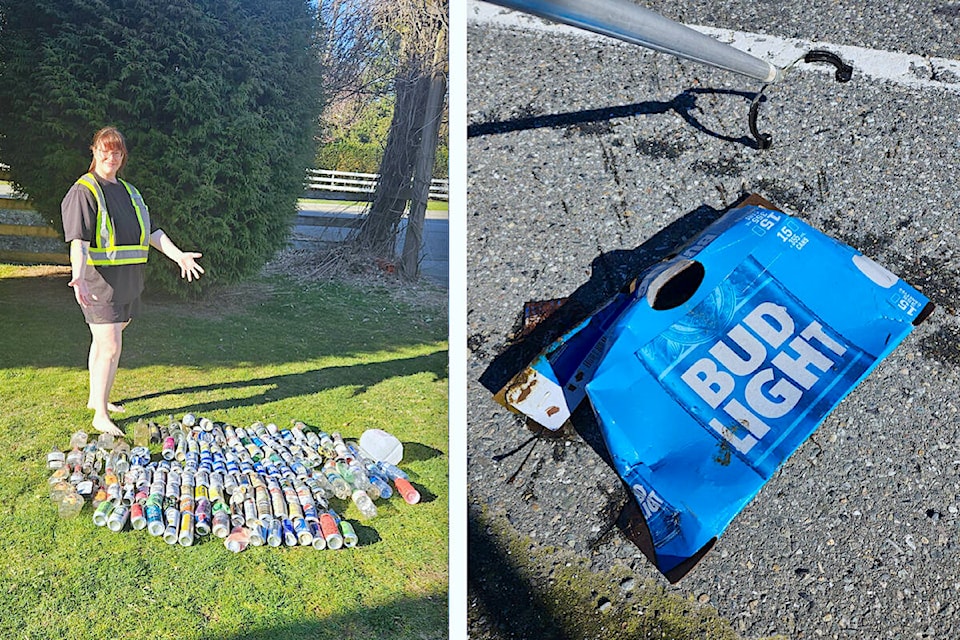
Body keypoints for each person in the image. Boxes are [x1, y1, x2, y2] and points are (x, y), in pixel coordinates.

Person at [61, 126, 204, 437]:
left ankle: (95, 399)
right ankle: (100, 412)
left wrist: (178, 256)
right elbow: (79, 242)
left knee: (103, 344)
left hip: (129, 282)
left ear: (123, 156)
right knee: (110, 346)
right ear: (94, 152)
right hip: (100, 282)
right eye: (105, 150)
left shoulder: (129, 192)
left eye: (117, 152)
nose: (111, 157)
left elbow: (152, 233)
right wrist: (78, 276)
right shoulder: (84, 192)